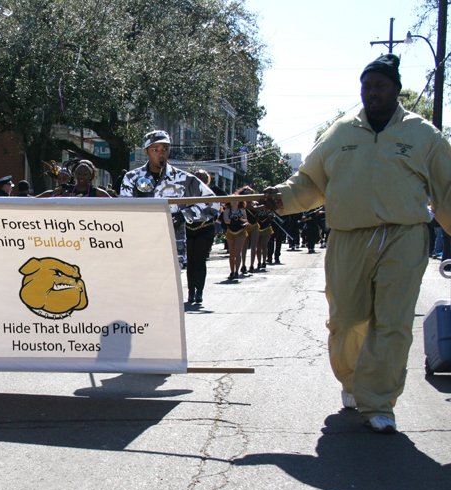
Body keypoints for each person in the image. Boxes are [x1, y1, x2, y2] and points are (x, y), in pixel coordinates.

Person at [262, 54, 451, 433]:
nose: (372, 92)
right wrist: (280, 197)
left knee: (393, 322)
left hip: (404, 236)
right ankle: (351, 381)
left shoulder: (424, 135)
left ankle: (379, 403)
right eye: (366, 86)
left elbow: (446, 191)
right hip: (349, 237)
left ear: (396, 89)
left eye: (380, 85)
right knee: (347, 318)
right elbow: (310, 183)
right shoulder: (340, 133)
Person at [120, 130, 218, 273]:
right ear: (146, 151)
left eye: (165, 149)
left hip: (172, 247)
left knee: (170, 293)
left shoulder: (183, 179)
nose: (161, 153)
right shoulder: (132, 178)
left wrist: (183, 216)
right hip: (140, 245)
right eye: (155, 149)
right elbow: (124, 210)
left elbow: (212, 202)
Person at [186, 170, 218, 303]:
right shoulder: (185, 194)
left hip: (204, 229)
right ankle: (190, 291)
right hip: (188, 229)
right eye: (196, 178)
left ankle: (199, 291)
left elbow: (215, 212)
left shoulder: (211, 195)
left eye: (202, 179)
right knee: (190, 262)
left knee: (199, 261)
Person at [223, 198, 248, 280]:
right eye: (232, 200)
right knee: (232, 253)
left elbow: (246, 221)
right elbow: (226, 220)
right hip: (230, 232)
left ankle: (236, 271)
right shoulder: (226, 211)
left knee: (238, 252)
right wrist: (237, 221)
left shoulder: (242, 211)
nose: (234, 202)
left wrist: (239, 221)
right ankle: (232, 271)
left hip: (240, 232)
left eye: (236, 200)